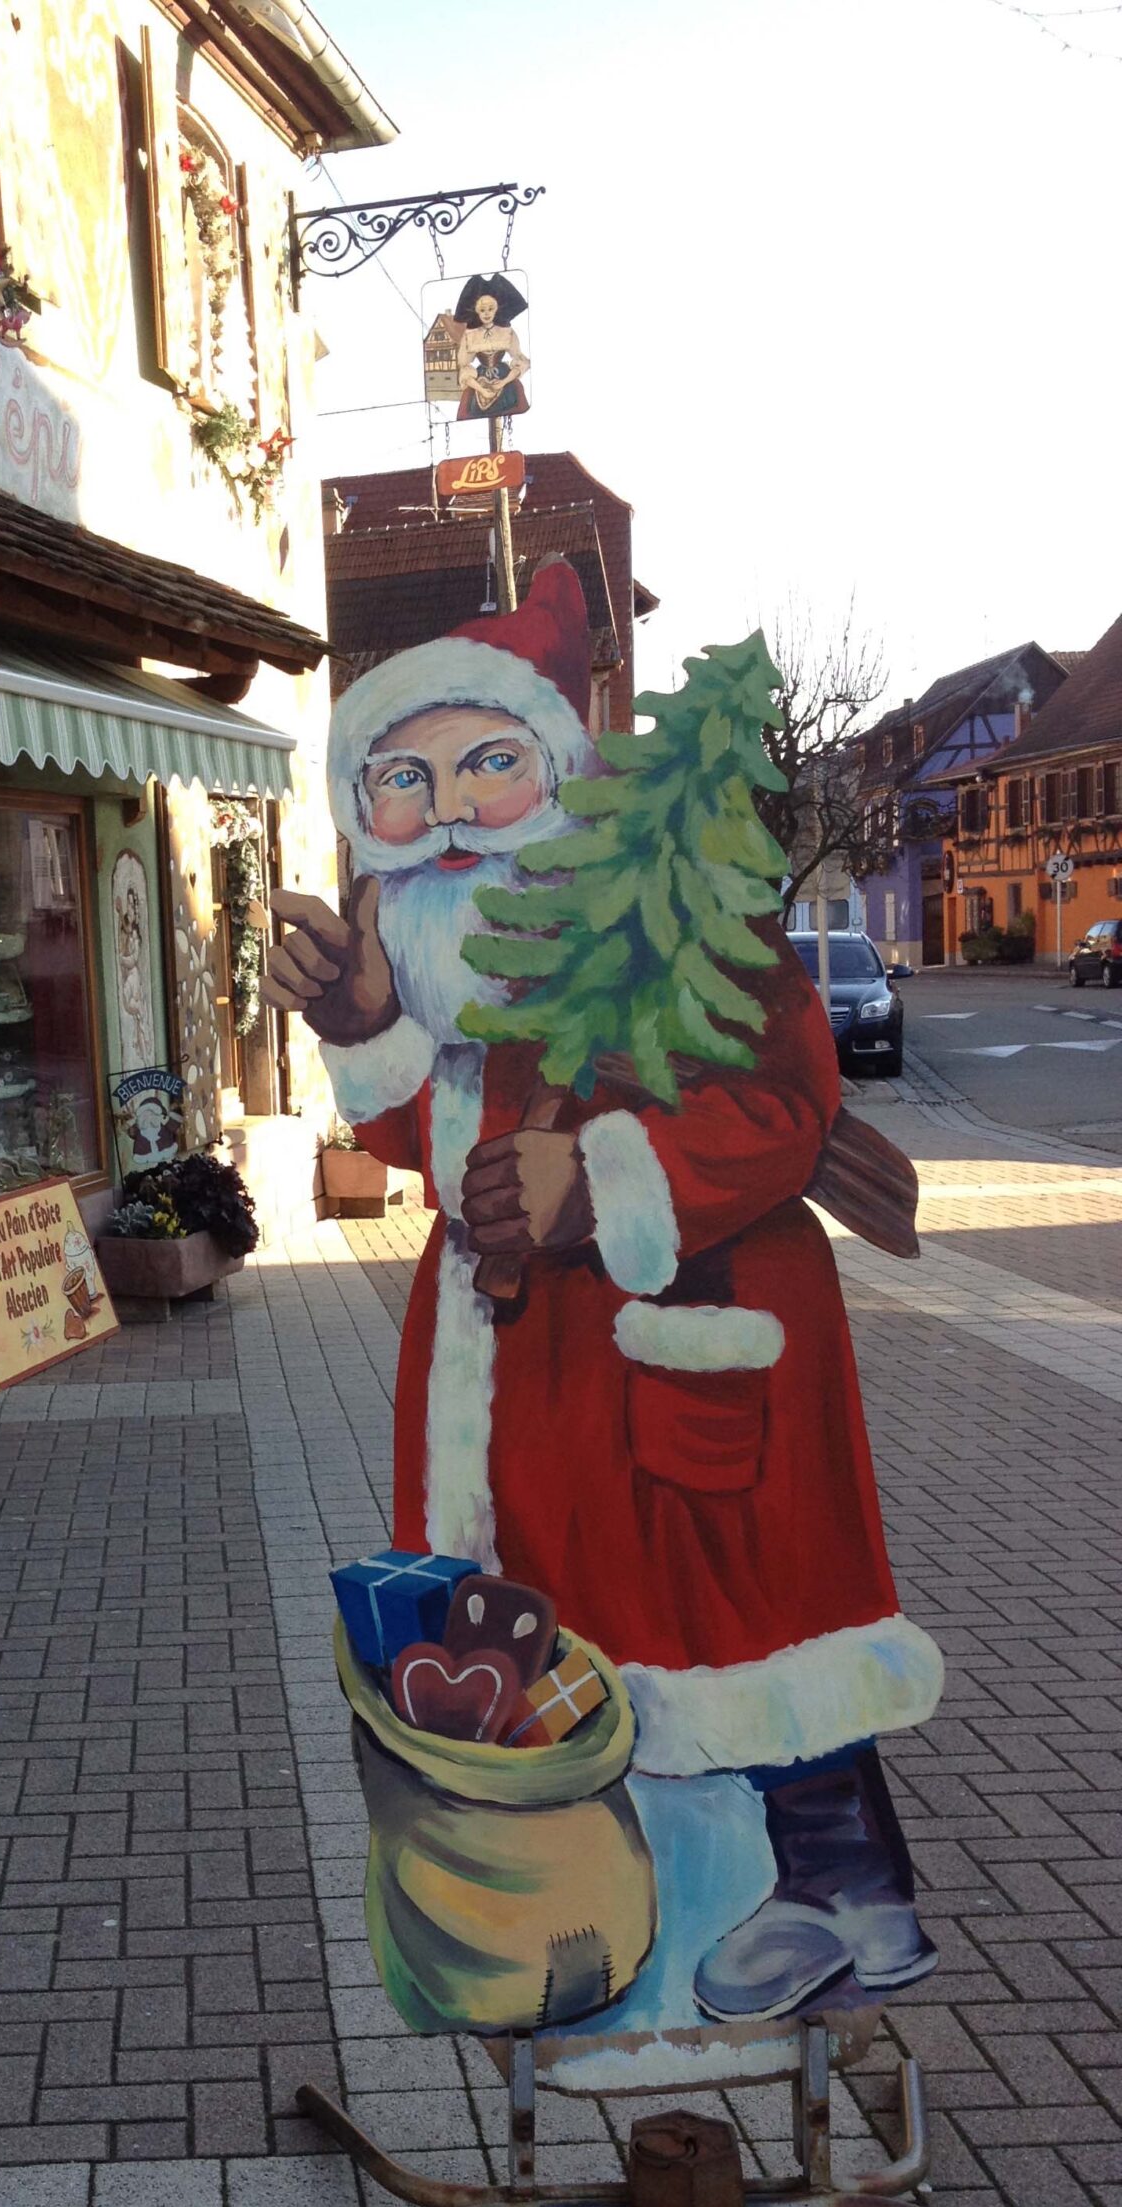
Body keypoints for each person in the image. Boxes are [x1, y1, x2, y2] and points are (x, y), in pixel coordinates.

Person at [264, 563, 941, 2030]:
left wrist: (604, 1180)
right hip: (530, 1369)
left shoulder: (674, 900)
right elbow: (426, 1143)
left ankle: (838, 1888)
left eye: (486, 766)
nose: (444, 809)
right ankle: (659, 1936)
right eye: (403, 779)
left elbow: (782, 1097)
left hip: (678, 1321)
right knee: (592, 1634)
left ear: (557, 771)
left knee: (744, 1617)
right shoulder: (449, 953)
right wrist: (360, 1027)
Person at [448, 270, 530, 423]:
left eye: (490, 309)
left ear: (496, 309)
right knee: (470, 403)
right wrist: (480, 389)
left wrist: (504, 382)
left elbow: (519, 359)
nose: (486, 314)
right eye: (482, 310)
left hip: (505, 377)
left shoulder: (506, 332)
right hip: (480, 379)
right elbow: (465, 366)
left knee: (515, 394)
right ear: (477, 312)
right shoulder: (471, 335)